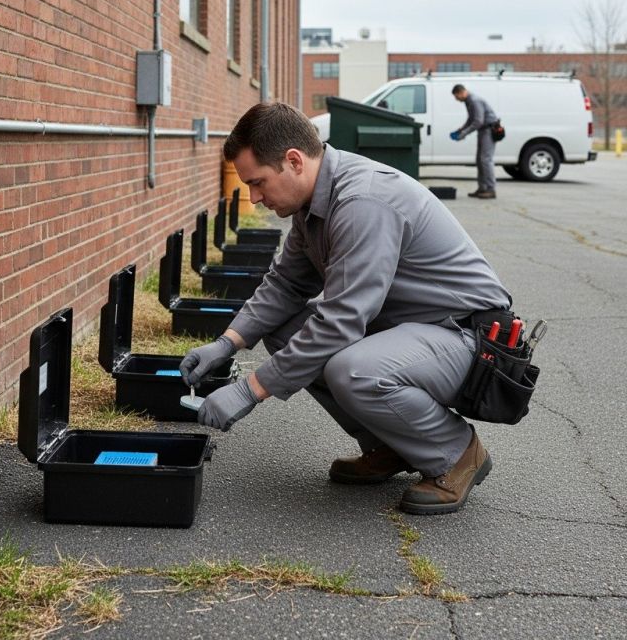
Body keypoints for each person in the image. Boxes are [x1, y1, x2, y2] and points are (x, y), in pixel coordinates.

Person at [179, 101, 513, 515]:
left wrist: (251, 390)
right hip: (417, 331)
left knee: (352, 368)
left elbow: (341, 321)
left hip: (470, 339)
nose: (255, 197)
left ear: (294, 161)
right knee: (285, 332)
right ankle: (391, 446)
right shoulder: (313, 205)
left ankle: (456, 452)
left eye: (259, 182)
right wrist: (227, 343)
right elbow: (285, 285)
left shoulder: (362, 202)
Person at [450, 84, 500, 199]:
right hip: (483, 131)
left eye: (456, 96)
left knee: (485, 160)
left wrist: (464, 133)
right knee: (480, 160)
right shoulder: (469, 101)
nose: (456, 99)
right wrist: (461, 129)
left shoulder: (474, 101)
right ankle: (482, 188)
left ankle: (491, 189)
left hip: (488, 130)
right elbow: (471, 119)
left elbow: (478, 121)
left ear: (460, 92)